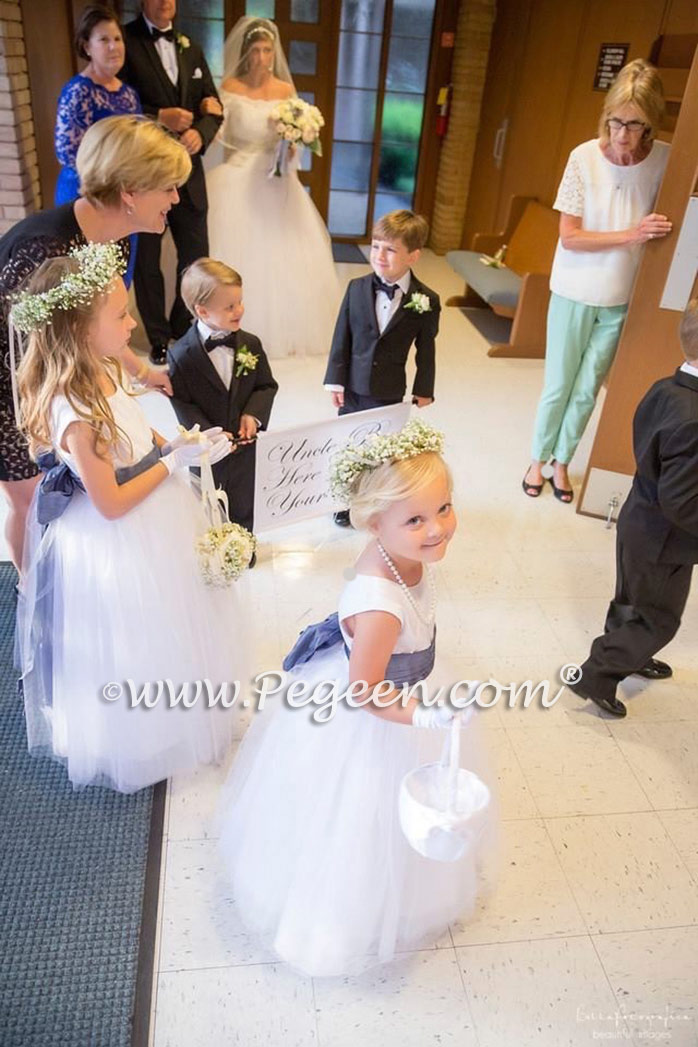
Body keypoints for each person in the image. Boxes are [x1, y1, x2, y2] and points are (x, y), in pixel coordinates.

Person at [217, 420, 492, 976]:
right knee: (359, 816)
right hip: (375, 709)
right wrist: (426, 712)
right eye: (415, 518)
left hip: (399, 682)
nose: (438, 528)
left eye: (444, 508)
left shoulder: (401, 556)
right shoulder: (380, 606)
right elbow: (365, 692)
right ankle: (333, 921)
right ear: (373, 523)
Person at [14, 243, 245, 792]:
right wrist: (170, 465)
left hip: (153, 513)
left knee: (171, 618)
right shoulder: (75, 415)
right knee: (132, 633)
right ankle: (137, 736)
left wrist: (180, 441)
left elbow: (138, 430)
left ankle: (178, 711)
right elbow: (110, 504)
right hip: (115, 535)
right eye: (119, 315)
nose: (132, 321)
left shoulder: (107, 367)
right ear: (78, 330)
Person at [0, 114, 187, 570]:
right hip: (14, 388)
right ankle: (32, 600)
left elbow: (95, 323)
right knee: (35, 503)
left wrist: (140, 370)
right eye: (167, 187)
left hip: (54, 378)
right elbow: (30, 359)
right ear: (130, 192)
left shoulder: (115, 239)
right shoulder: (41, 249)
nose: (176, 198)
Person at [523, 59, 671, 503]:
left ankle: (563, 462)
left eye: (634, 124)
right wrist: (631, 234)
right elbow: (570, 237)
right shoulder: (584, 157)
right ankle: (536, 459)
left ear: (650, 123)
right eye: (616, 121)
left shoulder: (664, 160)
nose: (623, 134)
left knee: (587, 389)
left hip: (621, 296)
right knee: (558, 385)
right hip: (574, 290)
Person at [567, 300, 698, 718]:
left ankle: (630, 657)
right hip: (665, 539)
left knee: (631, 602)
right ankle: (598, 672)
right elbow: (681, 500)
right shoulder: (694, 416)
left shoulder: (666, 386)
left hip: (639, 519)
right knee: (658, 618)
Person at [205, 16, 340, 359]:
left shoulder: (284, 91)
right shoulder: (231, 88)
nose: (262, 57)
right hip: (238, 171)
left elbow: (293, 139)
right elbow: (222, 133)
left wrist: (293, 143)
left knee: (286, 250)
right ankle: (221, 319)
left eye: (267, 50)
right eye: (256, 50)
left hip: (276, 175)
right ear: (246, 53)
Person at [121, 0, 224, 365]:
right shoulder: (125, 43)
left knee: (195, 255)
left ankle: (183, 330)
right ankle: (159, 338)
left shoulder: (190, 46)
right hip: (146, 171)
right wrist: (157, 116)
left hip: (189, 174)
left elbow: (214, 105)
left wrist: (201, 131)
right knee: (147, 260)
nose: (167, 2)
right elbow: (117, 106)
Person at [324, 209, 440, 525]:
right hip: (351, 385)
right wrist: (335, 381)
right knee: (348, 444)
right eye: (376, 246)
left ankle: (375, 498)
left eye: (390, 249)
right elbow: (341, 336)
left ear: (413, 256)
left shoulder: (426, 299)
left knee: (381, 448)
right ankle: (344, 500)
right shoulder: (356, 287)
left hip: (389, 388)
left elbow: (426, 349)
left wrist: (423, 388)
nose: (380, 255)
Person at [168, 258, 278, 539]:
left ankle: (244, 546)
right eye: (230, 307)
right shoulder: (182, 355)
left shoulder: (250, 344)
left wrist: (252, 414)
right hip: (208, 452)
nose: (239, 310)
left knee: (244, 501)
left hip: (244, 450)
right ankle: (215, 551)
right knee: (207, 501)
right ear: (202, 310)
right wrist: (210, 436)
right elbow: (184, 404)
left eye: (240, 302)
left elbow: (266, 385)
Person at [54, 4, 142, 207]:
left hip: (125, 193)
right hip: (85, 195)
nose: (114, 47)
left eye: (117, 39)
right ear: (87, 47)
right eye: (104, 40)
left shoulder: (129, 94)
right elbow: (67, 154)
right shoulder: (78, 91)